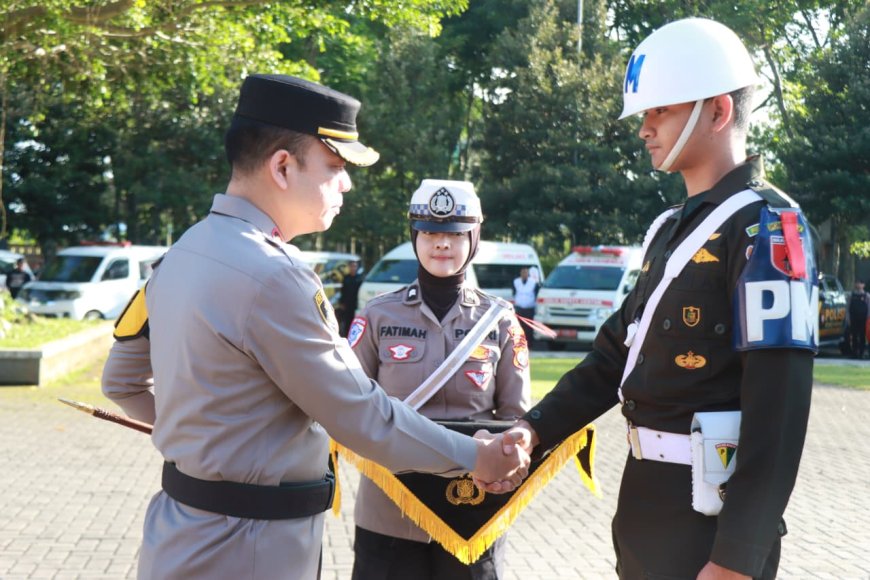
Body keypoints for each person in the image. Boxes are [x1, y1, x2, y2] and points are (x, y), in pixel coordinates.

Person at [100, 74, 529, 580]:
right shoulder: (274, 276)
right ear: (282, 166)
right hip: (250, 547)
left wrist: (200, 447)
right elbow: (363, 417)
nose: (346, 182)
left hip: (181, 530)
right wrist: (474, 456)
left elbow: (121, 381)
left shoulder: (183, 252)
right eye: (334, 166)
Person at [486, 18, 818, 579]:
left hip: (711, 526)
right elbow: (616, 356)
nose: (644, 128)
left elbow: (779, 412)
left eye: (659, 110)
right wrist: (533, 428)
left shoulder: (769, 226)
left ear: (718, 111)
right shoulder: (671, 227)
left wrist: (737, 557)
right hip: (646, 510)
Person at [348, 179, 531, 579]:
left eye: (454, 234)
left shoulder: (498, 320)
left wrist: (508, 455)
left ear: (474, 238)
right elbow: (348, 406)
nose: (441, 244)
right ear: (414, 237)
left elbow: (517, 418)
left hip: (472, 512)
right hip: (390, 509)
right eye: (429, 232)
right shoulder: (378, 316)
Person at [511, 266, 540, 342]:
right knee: (518, 327)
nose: (524, 274)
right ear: (520, 273)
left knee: (529, 327)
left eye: (526, 272)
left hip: (529, 308)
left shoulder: (533, 282)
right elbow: (514, 293)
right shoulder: (516, 282)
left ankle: (529, 343)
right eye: (523, 272)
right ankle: (519, 342)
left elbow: (537, 294)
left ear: (528, 273)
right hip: (519, 308)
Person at [337, 259, 363, 336]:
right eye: (351, 266)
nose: (353, 268)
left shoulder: (360, 278)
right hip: (347, 304)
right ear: (349, 267)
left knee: (356, 322)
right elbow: (343, 291)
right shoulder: (346, 278)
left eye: (355, 266)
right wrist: (341, 303)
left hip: (356, 305)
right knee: (347, 322)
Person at [848, 279, 869, 359]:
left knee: (862, 336)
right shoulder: (851, 295)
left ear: (863, 285)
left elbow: (869, 308)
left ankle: (861, 352)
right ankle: (854, 352)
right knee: (854, 336)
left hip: (863, 319)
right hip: (853, 318)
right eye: (857, 283)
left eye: (860, 283)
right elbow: (848, 308)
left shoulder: (867, 296)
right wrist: (848, 319)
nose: (858, 285)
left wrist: (868, 319)